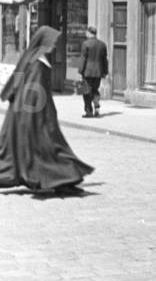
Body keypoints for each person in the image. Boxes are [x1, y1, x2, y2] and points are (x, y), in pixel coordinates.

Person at [0, 26, 93, 194]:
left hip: (32, 114)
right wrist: (41, 115)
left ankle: (60, 180)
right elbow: (33, 92)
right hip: (35, 116)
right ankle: (61, 180)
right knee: (49, 147)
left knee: (43, 149)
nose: (54, 45)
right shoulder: (36, 63)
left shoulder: (34, 58)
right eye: (52, 42)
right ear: (44, 42)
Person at [78, 25, 108, 118]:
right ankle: (97, 107)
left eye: (87, 32)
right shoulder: (102, 44)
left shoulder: (85, 44)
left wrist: (80, 71)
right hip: (98, 72)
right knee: (95, 90)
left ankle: (89, 111)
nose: (86, 34)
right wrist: (105, 71)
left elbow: (83, 59)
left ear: (89, 33)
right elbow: (105, 60)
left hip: (87, 72)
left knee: (86, 92)